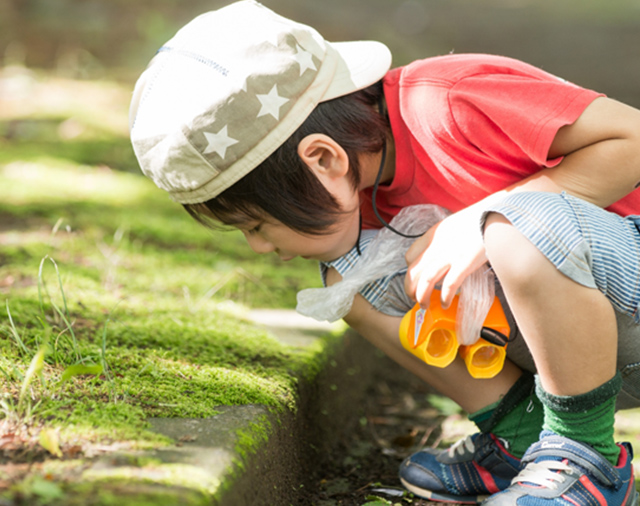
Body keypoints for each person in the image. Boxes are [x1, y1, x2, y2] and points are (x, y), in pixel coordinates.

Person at [128, 1, 640, 504]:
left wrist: (483, 220)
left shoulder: (449, 100)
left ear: (324, 159)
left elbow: (632, 137)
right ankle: (523, 440)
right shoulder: (362, 191)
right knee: (349, 282)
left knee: (510, 227)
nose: (261, 246)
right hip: (587, 344)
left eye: (259, 224)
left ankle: (584, 459)